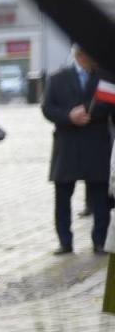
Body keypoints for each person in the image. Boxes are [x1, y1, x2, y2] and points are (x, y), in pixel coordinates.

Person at [41, 44, 113, 255]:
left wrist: (95, 113)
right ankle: (65, 241)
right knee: (63, 195)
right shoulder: (58, 77)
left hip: (96, 142)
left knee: (100, 196)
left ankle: (99, 240)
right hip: (67, 143)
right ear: (81, 56)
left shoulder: (104, 77)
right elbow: (47, 108)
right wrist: (68, 116)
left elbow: (112, 105)